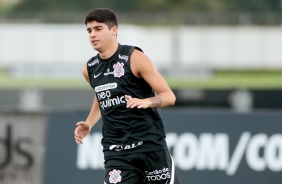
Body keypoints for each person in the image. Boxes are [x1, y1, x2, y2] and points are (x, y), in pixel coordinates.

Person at [74, 8, 179, 184]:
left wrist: (147, 102)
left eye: (98, 29)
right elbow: (102, 95)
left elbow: (169, 96)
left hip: (150, 147)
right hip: (117, 153)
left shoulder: (135, 58)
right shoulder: (89, 69)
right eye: (89, 30)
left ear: (114, 30)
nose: (92, 34)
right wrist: (89, 123)